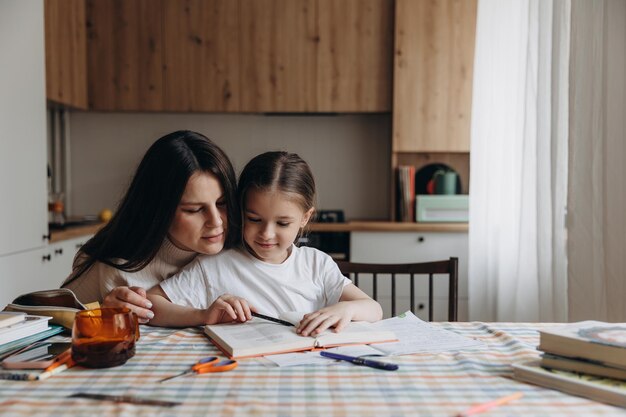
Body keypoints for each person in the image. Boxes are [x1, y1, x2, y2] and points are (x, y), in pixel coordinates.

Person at [147, 151, 382, 336]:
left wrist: (347, 309)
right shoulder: (214, 265)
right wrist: (202, 315)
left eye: (282, 223)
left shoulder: (316, 264)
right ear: (240, 211)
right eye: (254, 219)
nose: (266, 234)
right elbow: (152, 304)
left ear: (305, 218)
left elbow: (374, 309)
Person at [61, 130, 240, 323]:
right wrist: (101, 314)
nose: (216, 221)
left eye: (222, 203)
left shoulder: (245, 249)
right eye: (194, 209)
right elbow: (49, 321)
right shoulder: (112, 266)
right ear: (159, 209)